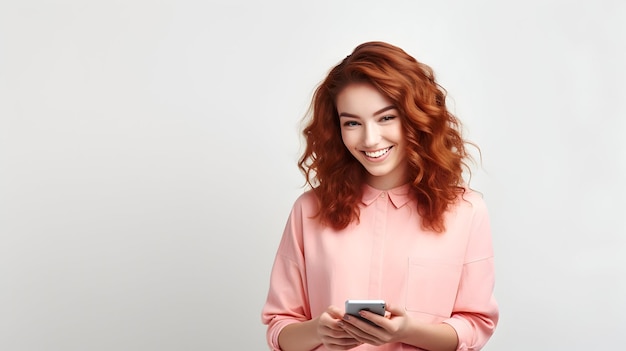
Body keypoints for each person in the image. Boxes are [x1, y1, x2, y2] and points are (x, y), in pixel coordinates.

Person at [261, 41, 498, 351]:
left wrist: (408, 331)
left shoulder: (466, 211)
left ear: (416, 116)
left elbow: (477, 324)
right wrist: (319, 331)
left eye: (386, 118)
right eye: (352, 123)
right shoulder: (309, 210)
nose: (370, 139)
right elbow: (280, 326)